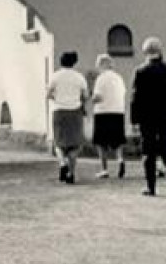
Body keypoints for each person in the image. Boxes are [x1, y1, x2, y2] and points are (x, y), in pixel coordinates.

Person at [130, 36, 166, 197]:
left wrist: (134, 120)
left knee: (149, 151)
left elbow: (135, 98)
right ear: (160, 51)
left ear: (145, 52)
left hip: (147, 118)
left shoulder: (141, 72)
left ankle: (151, 186)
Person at [46, 50, 89, 184]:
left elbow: (48, 94)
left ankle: (62, 162)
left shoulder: (55, 76)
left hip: (59, 111)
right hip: (74, 111)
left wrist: (57, 98)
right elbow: (85, 96)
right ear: (74, 62)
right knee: (75, 144)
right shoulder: (79, 77)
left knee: (59, 143)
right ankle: (71, 173)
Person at [90, 52, 128, 179]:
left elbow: (98, 97)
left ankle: (104, 169)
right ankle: (120, 159)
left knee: (101, 142)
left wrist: (92, 99)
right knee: (117, 140)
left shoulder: (101, 79)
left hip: (102, 112)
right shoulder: (119, 77)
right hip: (118, 111)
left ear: (102, 65)